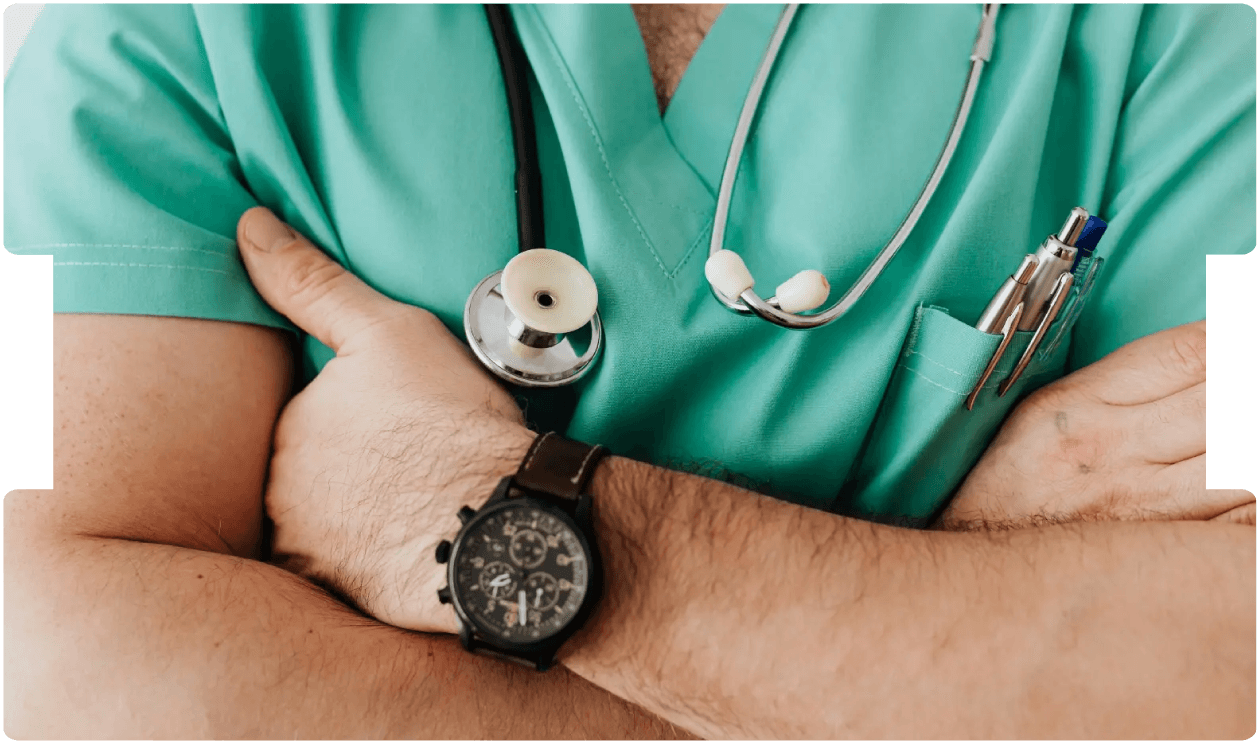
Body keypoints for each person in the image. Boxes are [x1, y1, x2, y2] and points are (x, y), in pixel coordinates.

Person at [3, 3, 1254, 739]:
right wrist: (907, 639)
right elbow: (52, 654)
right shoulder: (121, 41)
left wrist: (468, 510)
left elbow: (1233, 654)